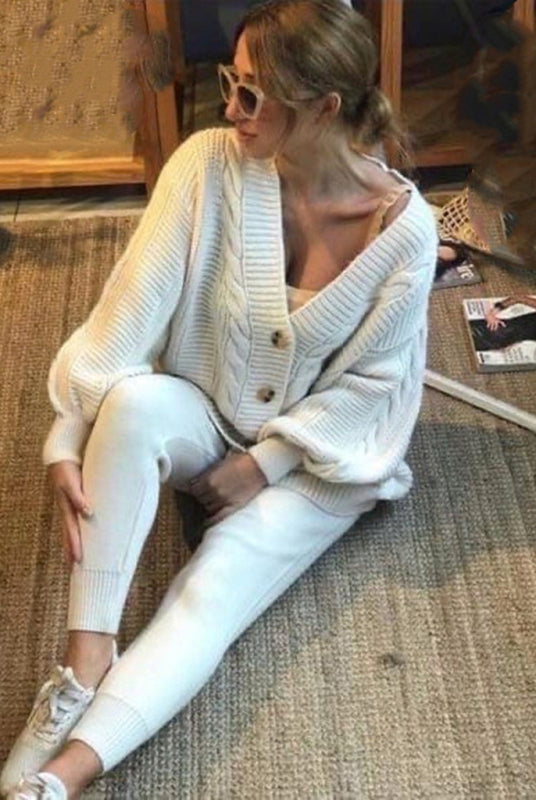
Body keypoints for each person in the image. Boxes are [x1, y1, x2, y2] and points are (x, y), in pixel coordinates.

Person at [1, 1, 438, 797]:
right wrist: (68, 434)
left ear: (324, 109)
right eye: (229, 82)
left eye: (252, 94)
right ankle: (84, 660)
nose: (230, 108)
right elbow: (130, 308)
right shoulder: (207, 164)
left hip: (318, 462)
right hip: (206, 405)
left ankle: (58, 781)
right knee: (132, 405)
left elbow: (373, 388)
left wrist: (264, 465)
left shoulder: (406, 234)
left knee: (213, 590)